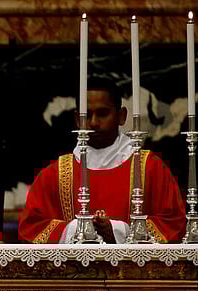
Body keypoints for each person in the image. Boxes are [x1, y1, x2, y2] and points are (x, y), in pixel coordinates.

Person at [20, 79, 186, 243]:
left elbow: (174, 223)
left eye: (102, 113)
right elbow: (31, 227)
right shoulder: (55, 174)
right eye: (87, 115)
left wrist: (119, 231)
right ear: (77, 119)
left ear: (121, 116)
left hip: (131, 270)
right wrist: (76, 229)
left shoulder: (150, 168)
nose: (93, 123)